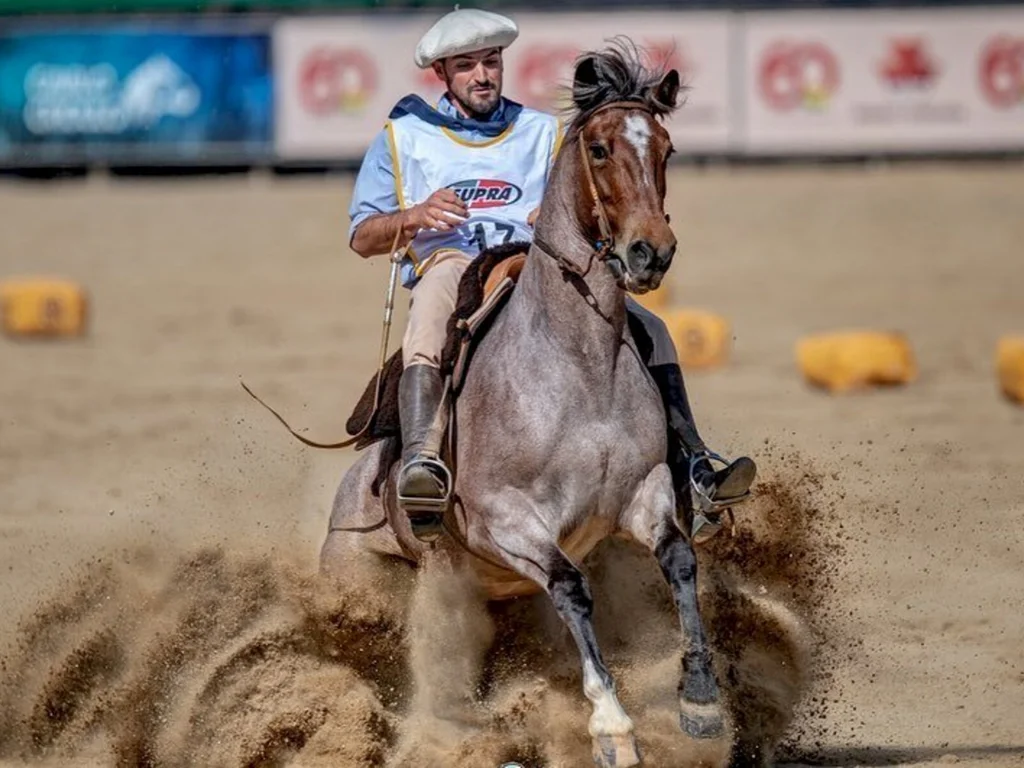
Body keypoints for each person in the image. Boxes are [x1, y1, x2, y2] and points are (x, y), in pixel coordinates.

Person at [347, 7, 756, 540]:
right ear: (442, 73)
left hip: (535, 261)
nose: (483, 75)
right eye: (467, 65)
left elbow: (583, 198)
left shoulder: (541, 132)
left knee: (650, 328)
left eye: (491, 61)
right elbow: (362, 237)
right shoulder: (405, 136)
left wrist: (559, 214)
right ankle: (425, 462)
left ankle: (695, 466)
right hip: (452, 264)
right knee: (427, 324)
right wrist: (413, 216)